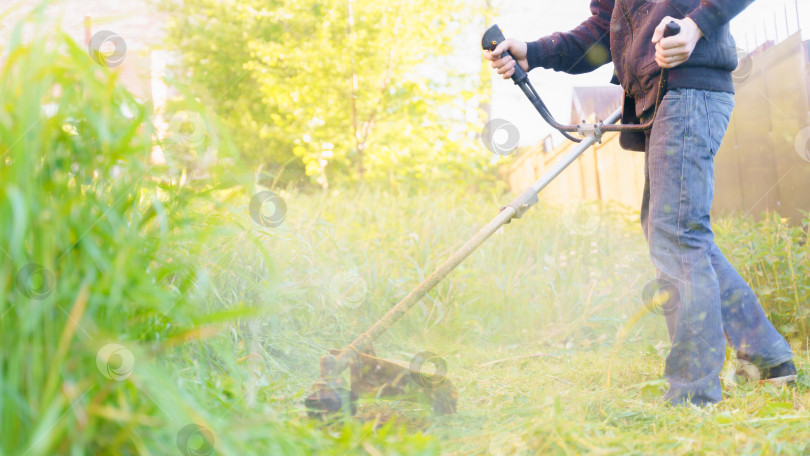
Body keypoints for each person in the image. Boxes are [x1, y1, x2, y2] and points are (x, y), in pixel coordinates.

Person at [483, 0, 796, 406]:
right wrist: (534, 51)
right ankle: (768, 358)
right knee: (672, 231)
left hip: (689, 85)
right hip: (659, 97)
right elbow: (600, 32)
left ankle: (692, 394)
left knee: (677, 235)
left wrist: (696, 27)